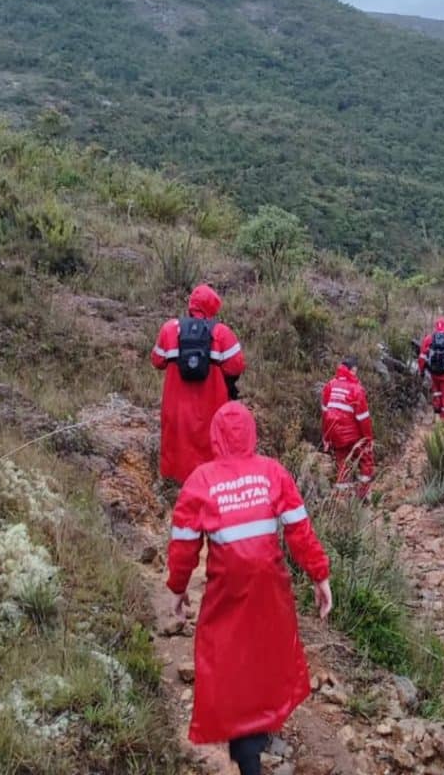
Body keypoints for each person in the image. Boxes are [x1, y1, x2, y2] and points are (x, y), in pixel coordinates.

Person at [167, 401, 332, 775]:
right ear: (252, 434)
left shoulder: (201, 480)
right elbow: (299, 532)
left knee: (225, 658)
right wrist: (319, 577)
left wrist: (178, 589)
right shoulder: (272, 472)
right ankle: (255, 734)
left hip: (226, 590)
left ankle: (246, 745)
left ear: (214, 438)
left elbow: (183, 544)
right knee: (266, 654)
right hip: (270, 586)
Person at [151, 284, 246, 483]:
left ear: (191, 304)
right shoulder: (222, 333)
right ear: (214, 307)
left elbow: (157, 361)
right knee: (210, 446)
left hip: (176, 406)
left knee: (177, 445)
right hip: (211, 405)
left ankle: (176, 488)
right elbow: (236, 367)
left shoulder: (169, 329)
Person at [321, 356, 375, 498]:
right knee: (365, 458)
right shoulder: (356, 389)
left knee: (342, 463)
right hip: (352, 435)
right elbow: (363, 418)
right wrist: (368, 439)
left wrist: (326, 437)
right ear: (353, 370)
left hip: (334, 432)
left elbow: (325, 413)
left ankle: (342, 498)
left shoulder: (330, 385)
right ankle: (363, 494)